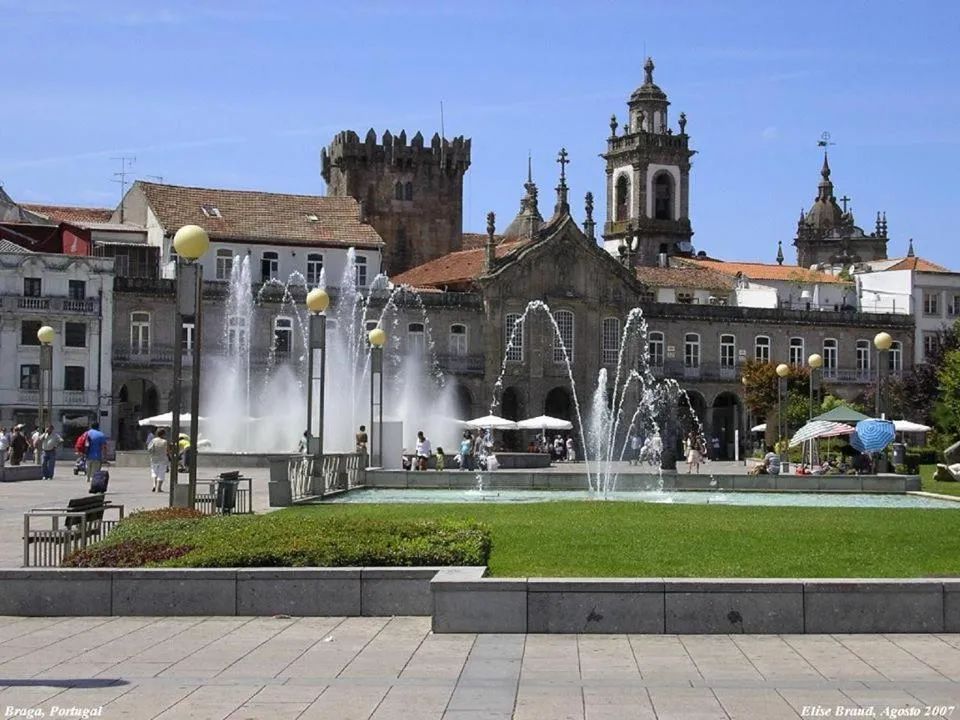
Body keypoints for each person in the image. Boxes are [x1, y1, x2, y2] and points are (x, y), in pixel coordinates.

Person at [84, 422, 107, 488]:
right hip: (97, 457)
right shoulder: (101, 435)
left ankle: (87, 483)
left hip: (87, 456)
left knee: (88, 472)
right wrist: (104, 457)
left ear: (91, 426)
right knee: (95, 473)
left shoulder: (86, 433)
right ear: (98, 427)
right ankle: (92, 485)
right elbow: (104, 447)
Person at [146, 428, 169, 493]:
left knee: (154, 472)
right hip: (162, 460)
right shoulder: (164, 441)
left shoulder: (153, 440)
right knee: (161, 474)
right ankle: (159, 488)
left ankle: (154, 485)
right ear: (163, 434)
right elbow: (168, 450)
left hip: (154, 459)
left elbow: (149, 449)